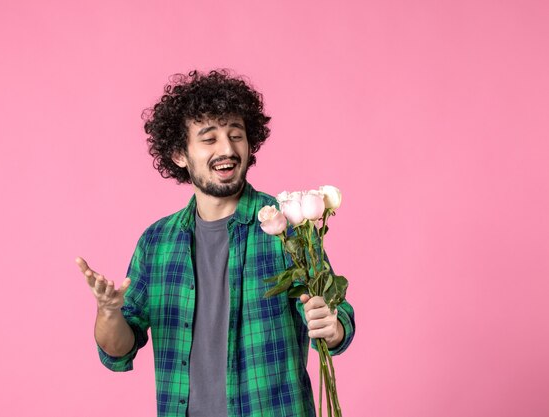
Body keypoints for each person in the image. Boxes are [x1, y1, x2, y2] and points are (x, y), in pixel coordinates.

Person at [76, 69, 355, 417]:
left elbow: (336, 316)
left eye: (236, 135)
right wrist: (108, 312)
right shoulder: (157, 243)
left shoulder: (288, 225)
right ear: (180, 154)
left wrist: (332, 325)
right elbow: (118, 349)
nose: (227, 149)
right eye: (209, 139)